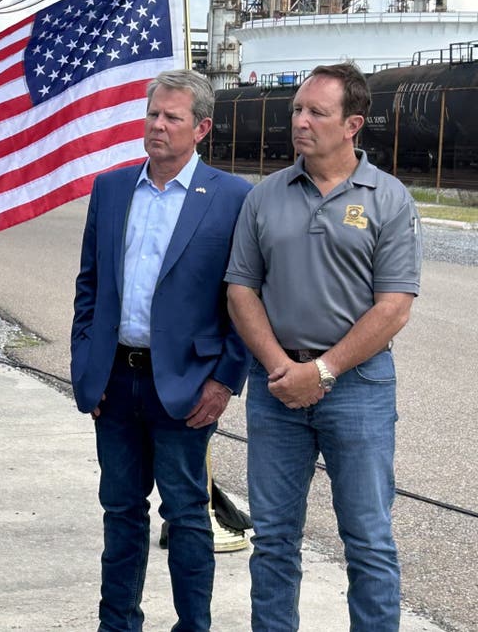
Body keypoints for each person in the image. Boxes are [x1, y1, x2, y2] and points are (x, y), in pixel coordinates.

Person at [225, 61, 421, 632]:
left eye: (316, 112)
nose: (300, 122)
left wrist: (327, 370)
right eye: (297, 111)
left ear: (353, 123)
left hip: (358, 389)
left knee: (367, 540)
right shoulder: (265, 197)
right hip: (276, 388)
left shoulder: (389, 200)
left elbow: (394, 307)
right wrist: (281, 367)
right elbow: (241, 290)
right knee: (275, 541)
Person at [69, 69, 252, 631]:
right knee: (121, 513)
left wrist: (224, 381)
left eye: (172, 117)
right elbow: (90, 286)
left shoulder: (232, 198)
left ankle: (193, 625)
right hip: (115, 384)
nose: (158, 126)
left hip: (187, 388)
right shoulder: (112, 188)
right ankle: (117, 622)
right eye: (152, 114)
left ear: (201, 128)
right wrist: (86, 370)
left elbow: (244, 299)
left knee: (187, 516)